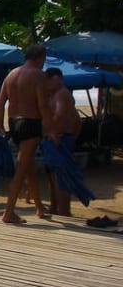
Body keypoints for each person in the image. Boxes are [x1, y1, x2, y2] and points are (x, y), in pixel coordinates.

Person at [0, 44, 56, 223]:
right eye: (44, 59)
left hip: (14, 123)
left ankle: (39, 208)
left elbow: (0, 102)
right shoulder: (38, 75)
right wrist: (50, 128)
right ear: (40, 57)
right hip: (30, 123)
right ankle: (8, 212)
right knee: (21, 170)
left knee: (28, 168)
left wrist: (0, 126)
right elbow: (42, 105)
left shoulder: (12, 74)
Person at [45, 67, 82, 216]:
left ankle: (64, 211)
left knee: (62, 178)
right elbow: (77, 118)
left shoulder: (62, 93)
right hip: (57, 139)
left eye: (47, 81)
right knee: (52, 177)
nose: (46, 84)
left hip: (61, 139)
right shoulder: (53, 95)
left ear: (56, 79)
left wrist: (53, 131)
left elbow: (60, 114)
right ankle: (55, 207)